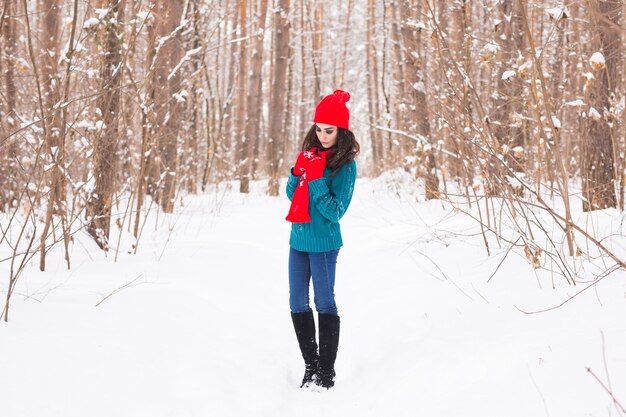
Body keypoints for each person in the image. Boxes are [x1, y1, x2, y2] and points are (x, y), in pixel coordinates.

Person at [285, 90, 360, 389]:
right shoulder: (311, 155)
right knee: (296, 301)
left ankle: (326, 371)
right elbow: (292, 196)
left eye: (329, 130)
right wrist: (296, 172)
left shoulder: (345, 165)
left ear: (341, 130)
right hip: (298, 239)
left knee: (324, 302)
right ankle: (310, 365)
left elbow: (335, 211)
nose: (322, 135)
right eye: (318, 129)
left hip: (325, 242)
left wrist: (316, 179)